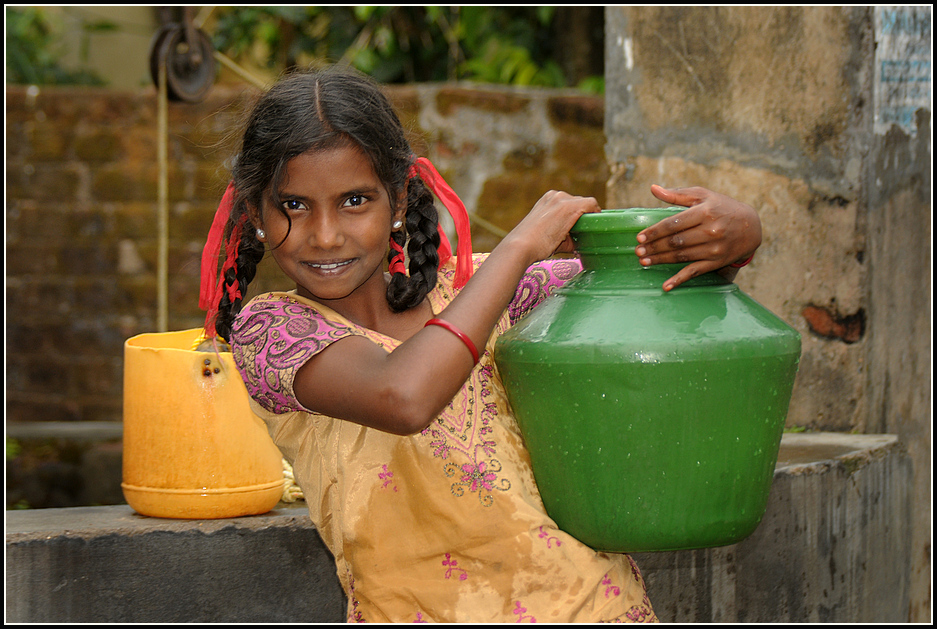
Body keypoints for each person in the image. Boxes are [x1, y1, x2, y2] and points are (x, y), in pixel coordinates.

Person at [199, 66, 761, 623]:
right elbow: (403, 395)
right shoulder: (273, 330)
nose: (324, 234)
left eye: (354, 201)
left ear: (398, 202)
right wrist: (519, 248)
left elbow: (652, 294)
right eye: (295, 206)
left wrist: (737, 238)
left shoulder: (483, 292)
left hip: (598, 610)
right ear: (255, 214)